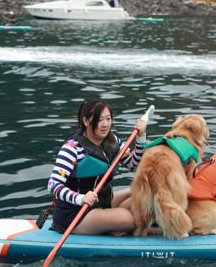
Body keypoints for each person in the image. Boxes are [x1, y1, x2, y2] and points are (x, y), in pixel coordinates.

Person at [46, 98, 148, 235]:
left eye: (108, 119)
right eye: (99, 120)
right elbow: (53, 185)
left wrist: (141, 136)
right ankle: (109, 225)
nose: (105, 124)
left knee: (144, 194)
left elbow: (134, 163)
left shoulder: (113, 141)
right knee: (130, 219)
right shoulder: (72, 148)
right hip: (76, 212)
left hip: (102, 202)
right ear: (86, 121)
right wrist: (80, 198)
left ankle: (108, 223)